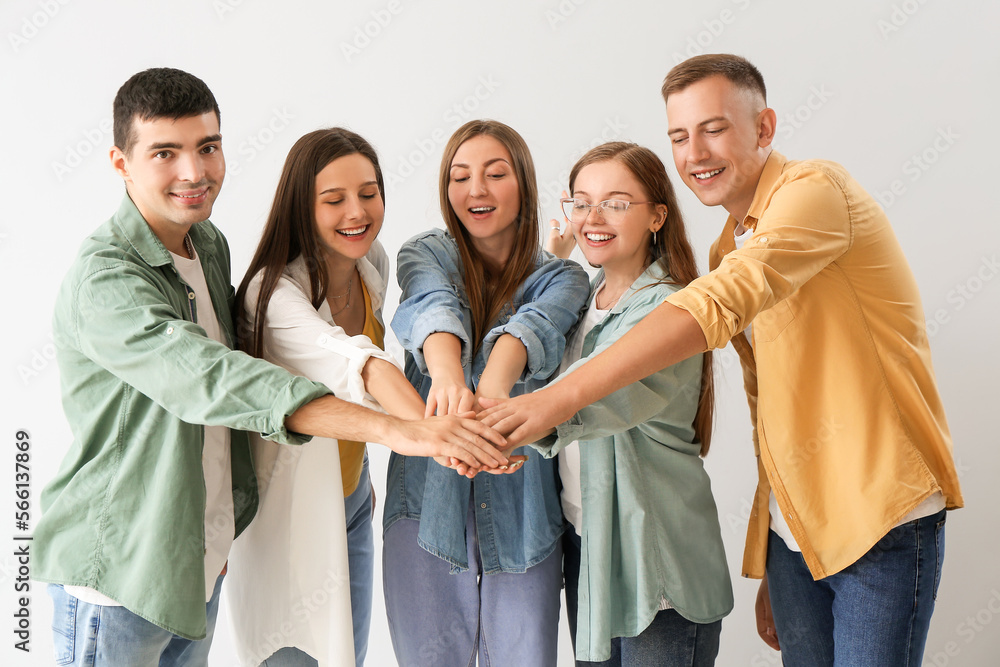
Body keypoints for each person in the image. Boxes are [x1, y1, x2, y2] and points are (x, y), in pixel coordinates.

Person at [480, 54, 964, 667]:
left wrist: (551, 401)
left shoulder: (816, 190)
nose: (694, 153)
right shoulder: (725, 241)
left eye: (714, 129)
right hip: (799, 533)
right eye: (679, 136)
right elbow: (772, 404)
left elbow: (720, 301)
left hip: (879, 514)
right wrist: (773, 550)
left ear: (764, 128)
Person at [34, 68, 508, 667]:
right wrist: (407, 431)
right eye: (164, 153)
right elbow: (214, 379)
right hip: (121, 570)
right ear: (120, 162)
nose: (194, 172)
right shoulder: (107, 280)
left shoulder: (206, 244)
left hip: (194, 558)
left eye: (208, 147)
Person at [383, 119, 591, 666]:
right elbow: (432, 308)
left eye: (495, 174)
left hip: (523, 511)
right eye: (460, 176)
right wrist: (449, 377)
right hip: (425, 505)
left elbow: (529, 329)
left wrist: (491, 393)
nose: (475, 189)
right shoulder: (424, 252)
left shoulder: (564, 277)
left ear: (523, 181)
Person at [224, 128, 430, 666]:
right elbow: (355, 363)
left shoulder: (372, 264)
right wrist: (435, 435)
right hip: (287, 515)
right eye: (333, 200)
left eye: (369, 192)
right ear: (300, 207)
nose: (356, 212)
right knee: (292, 651)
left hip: (353, 501)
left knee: (347, 656)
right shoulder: (270, 293)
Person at [538, 141, 733, 665]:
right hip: (589, 541)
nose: (593, 218)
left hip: (653, 552)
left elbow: (593, 403)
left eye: (617, 203)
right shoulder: (587, 297)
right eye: (581, 203)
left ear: (657, 216)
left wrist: (488, 429)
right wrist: (554, 258)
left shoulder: (667, 309)